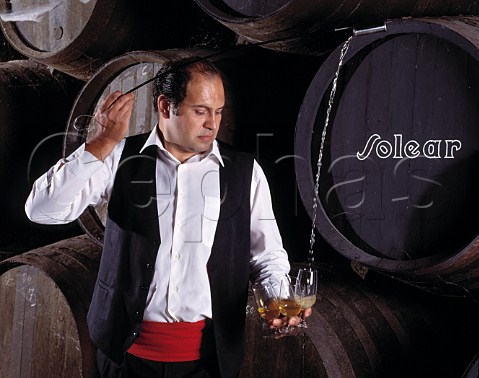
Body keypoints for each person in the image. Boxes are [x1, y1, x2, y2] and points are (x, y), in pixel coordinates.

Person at [25, 57, 311, 378]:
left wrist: (278, 297)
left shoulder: (244, 171)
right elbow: (43, 210)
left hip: (206, 363)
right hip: (124, 358)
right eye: (200, 111)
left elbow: (267, 256)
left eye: (217, 112)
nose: (212, 124)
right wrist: (103, 141)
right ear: (165, 106)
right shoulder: (118, 157)